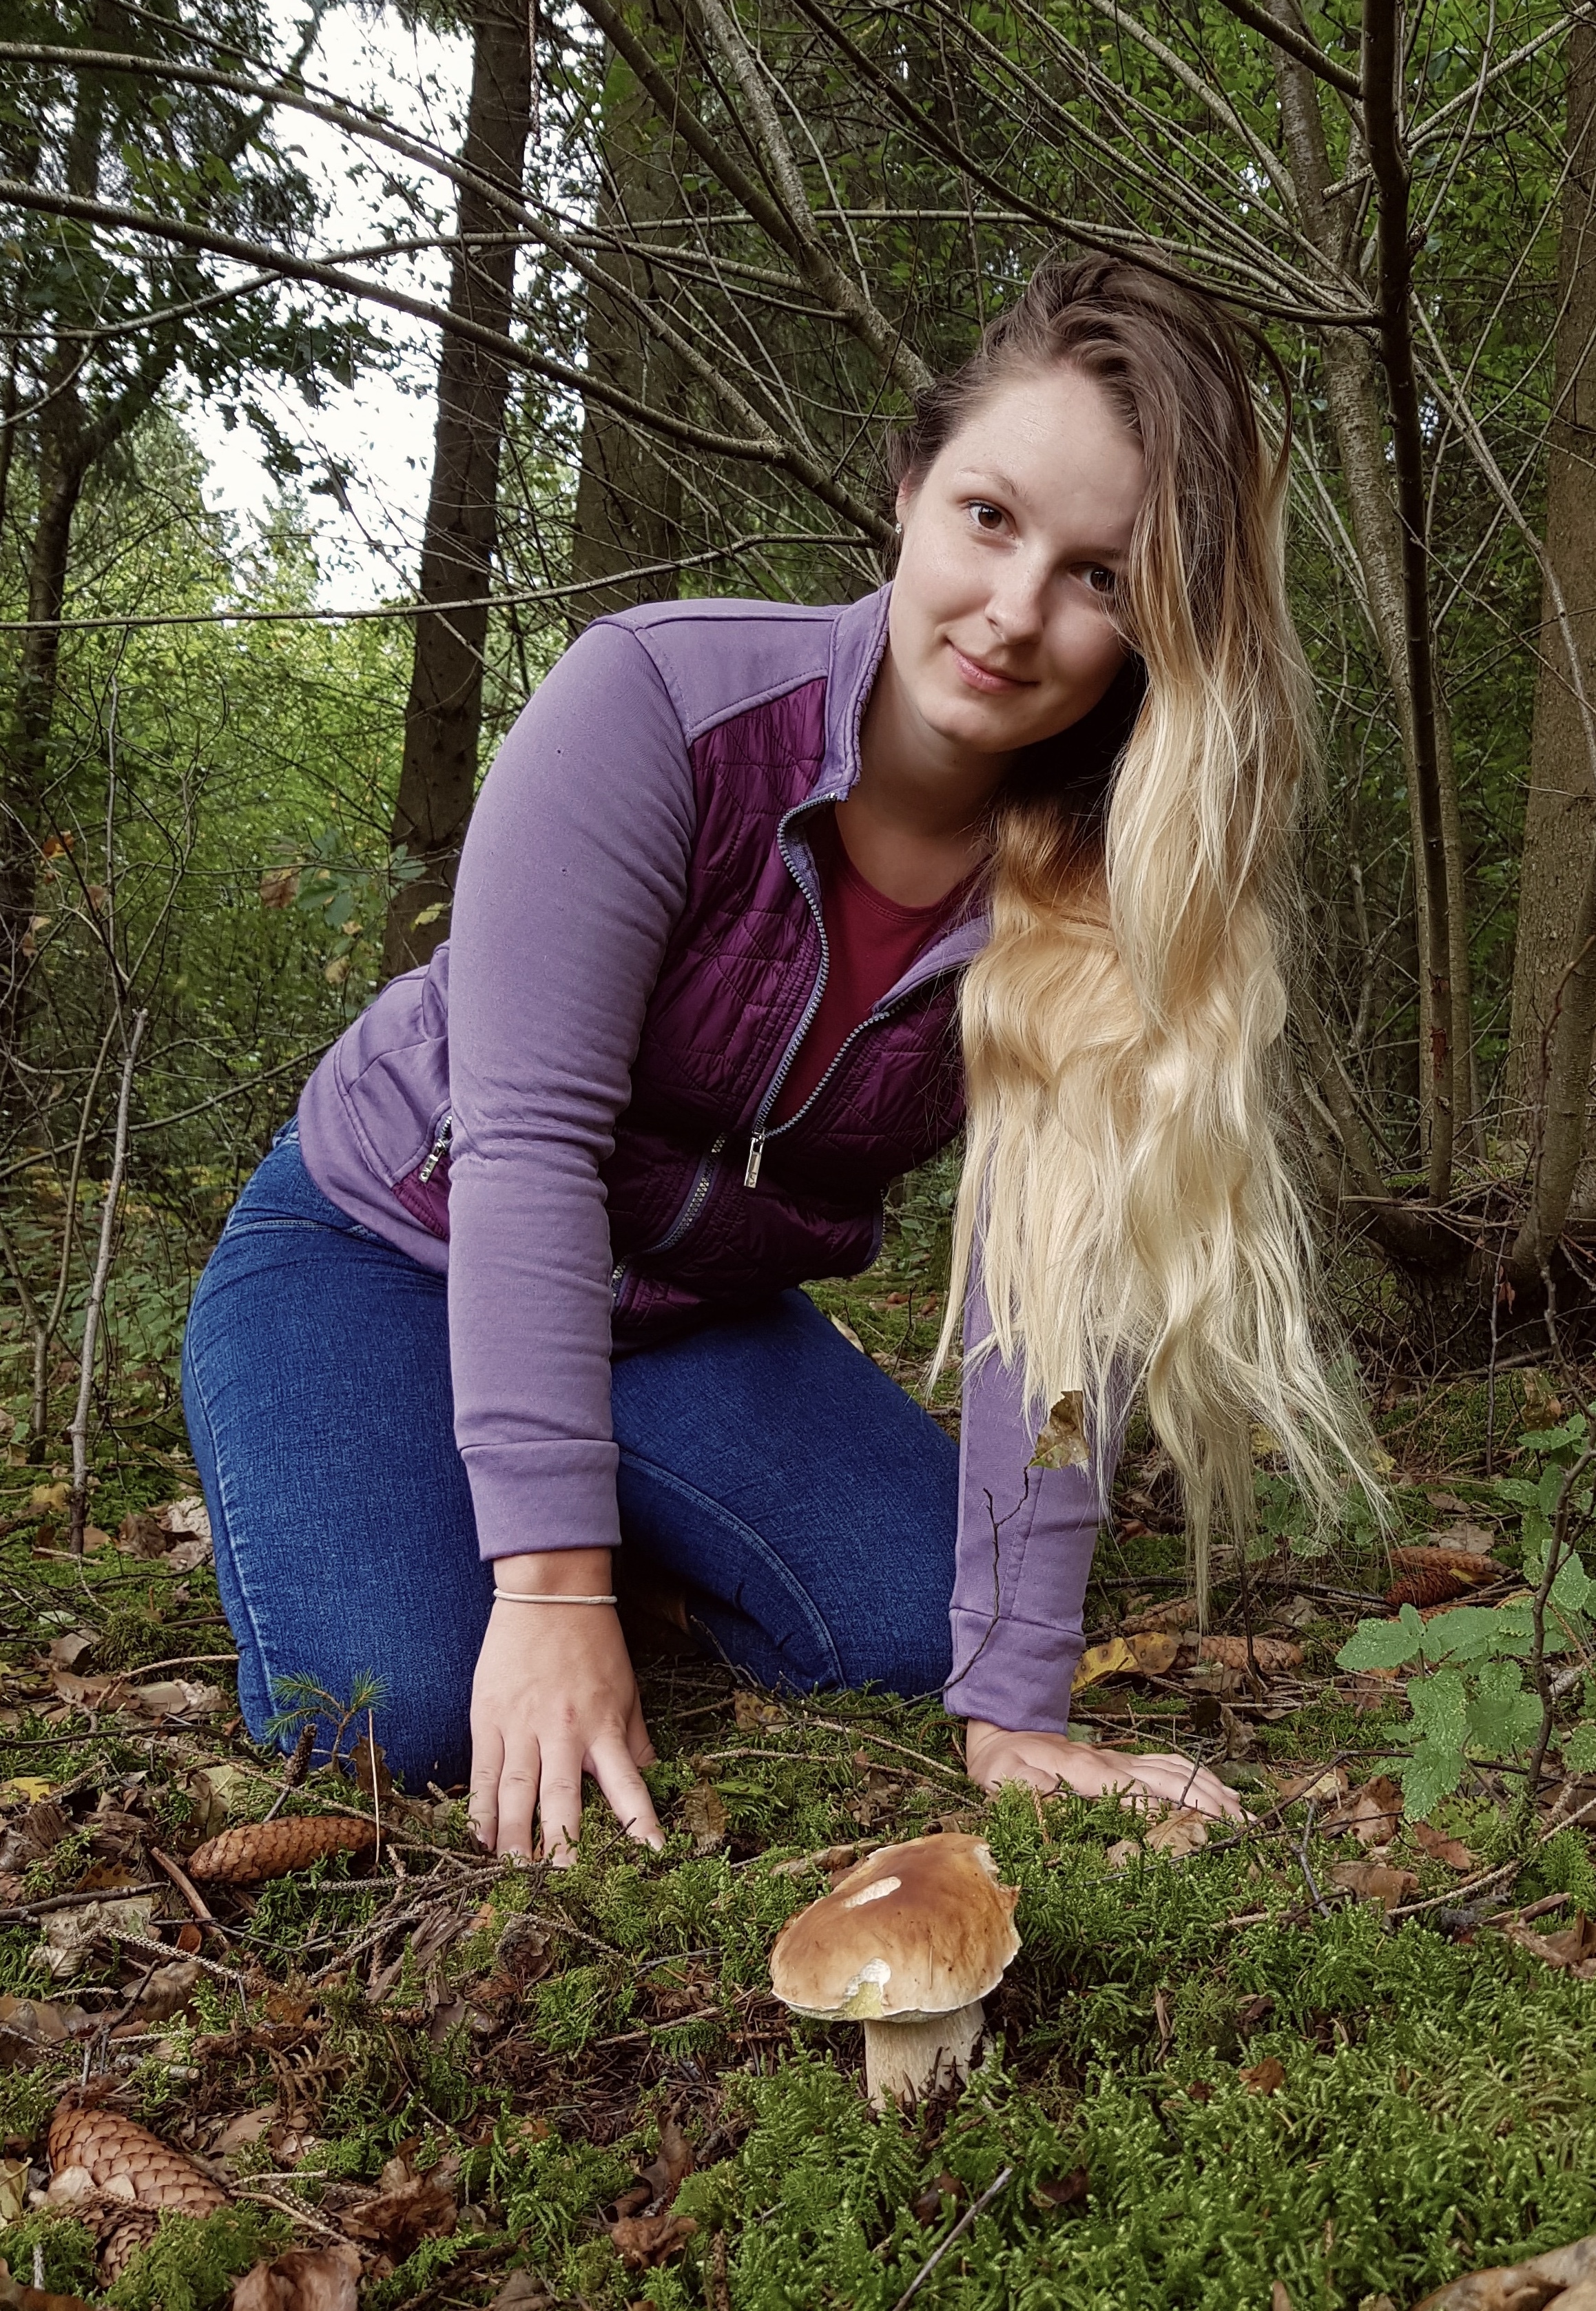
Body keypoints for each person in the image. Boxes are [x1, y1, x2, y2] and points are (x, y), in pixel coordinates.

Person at [182, 253, 1363, 1861]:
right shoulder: (660, 702)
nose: (1016, 613)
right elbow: (526, 1144)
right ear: (907, 487)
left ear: (1156, 625)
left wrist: (1018, 1711)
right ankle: (500, 1513)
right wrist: (550, 1586)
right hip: (390, 1243)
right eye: (990, 519)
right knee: (404, 1712)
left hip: (690, 1319)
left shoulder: (1103, 887)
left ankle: (595, 1505)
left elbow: (1058, 1295)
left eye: (1101, 576)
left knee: (909, 1635)